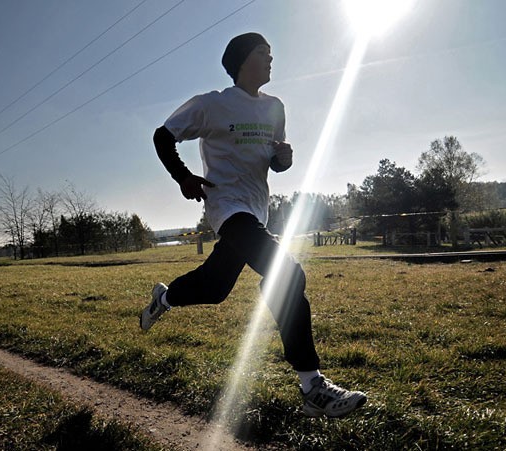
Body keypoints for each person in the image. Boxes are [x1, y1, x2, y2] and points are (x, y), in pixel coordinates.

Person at [140, 32, 366, 418]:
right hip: (227, 208)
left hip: (257, 211)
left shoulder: (276, 107)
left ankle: (164, 298)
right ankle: (312, 385)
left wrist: (284, 158)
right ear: (243, 59)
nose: (271, 59)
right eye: (264, 53)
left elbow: (274, 163)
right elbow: (164, 135)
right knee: (287, 274)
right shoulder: (212, 105)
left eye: (272, 53)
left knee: (214, 288)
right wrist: (184, 177)